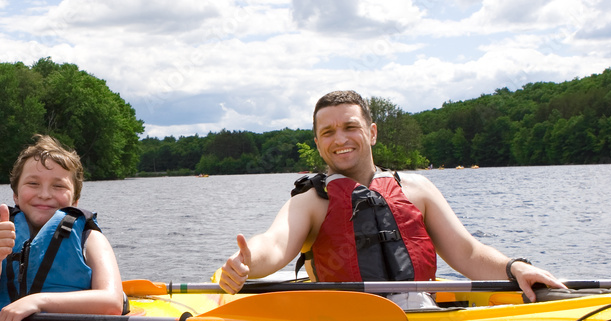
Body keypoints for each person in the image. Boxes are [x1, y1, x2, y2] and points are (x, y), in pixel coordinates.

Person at [218, 90, 564, 303]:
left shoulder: (418, 190)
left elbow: (467, 252)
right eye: (328, 132)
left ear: (371, 132)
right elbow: (275, 244)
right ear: (318, 142)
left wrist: (515, 267)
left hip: (422, 315)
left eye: (350, 127)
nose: (340, 138)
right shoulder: (311, 201)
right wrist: (246, 262)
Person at [0, 135, 126, 321]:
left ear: (75, 200)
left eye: (59, 186)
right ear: (15, 195)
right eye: (33, 184)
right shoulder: (2, 237)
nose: (44, 194)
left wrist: (38, 301)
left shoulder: (90, 239)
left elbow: (112, 303)